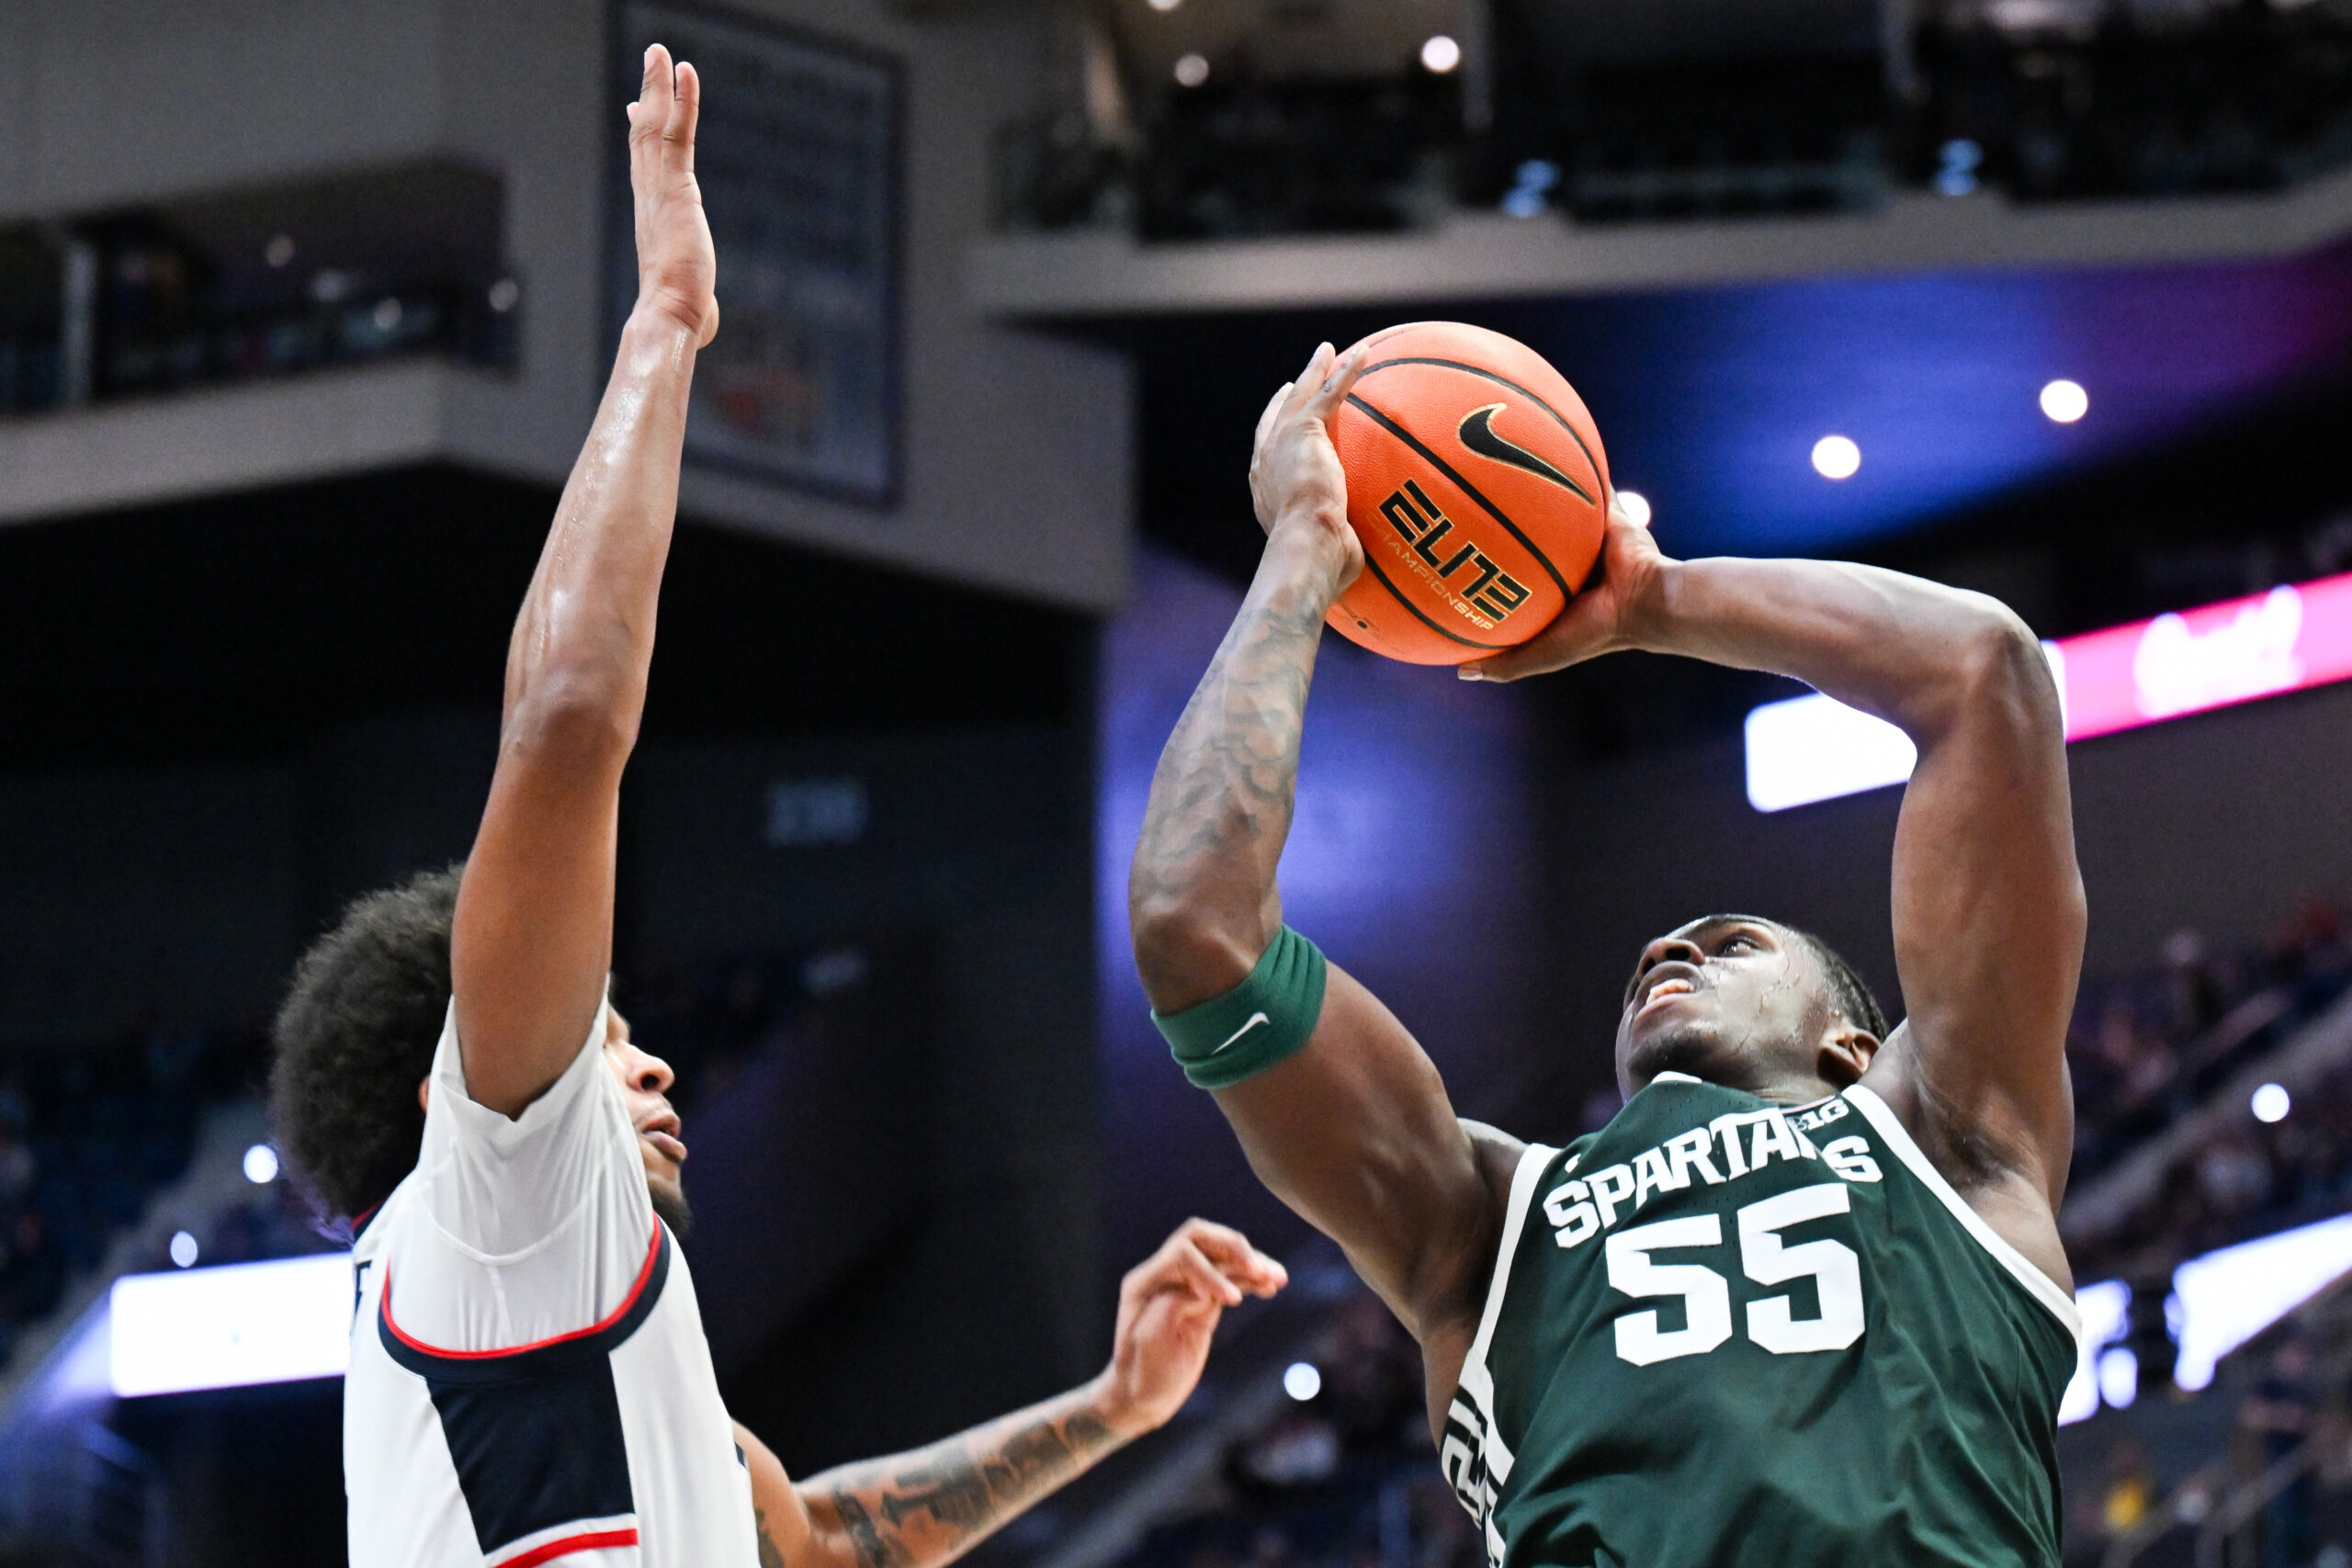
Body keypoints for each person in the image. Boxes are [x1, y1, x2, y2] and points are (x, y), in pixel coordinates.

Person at [268, 48, 1286, 1568]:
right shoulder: (494, 1209)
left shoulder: (555, 1336)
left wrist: (1114, 1410)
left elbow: (820, 1542)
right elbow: (565, 718)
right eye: (602, 1039)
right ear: (456, 1093)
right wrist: (667, 327)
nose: (653, 1061)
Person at [1127, 340, 2087, 1567]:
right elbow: (1193, 923)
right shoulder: (1485, 1226)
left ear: (1852, 1047)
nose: (1667, 948)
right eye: (1661, 950)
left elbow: (1984, 671)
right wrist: (1305, 552)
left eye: (1734, 942)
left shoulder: (1950, 1140)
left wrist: (1654, 602)